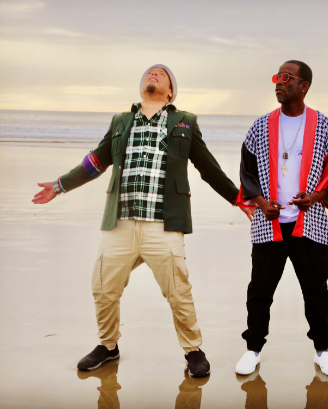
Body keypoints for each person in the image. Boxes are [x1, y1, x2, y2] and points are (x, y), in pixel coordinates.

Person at [32, 64, 248, 377]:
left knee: (178, 291)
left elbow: (208, 167)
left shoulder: (185, 122)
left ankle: (193, 350)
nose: (154, 74)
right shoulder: (121, 121)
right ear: (141, 86)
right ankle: (108, 346)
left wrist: (238, 198)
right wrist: (59, 185)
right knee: (103, 287)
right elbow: (96, 161)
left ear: (170, 92)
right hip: (120, 223)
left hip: (164, 224)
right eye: (150, 72)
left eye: (162, 73)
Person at [234, 60, 328, 377]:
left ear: (303, 85)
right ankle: (253, 349)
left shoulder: (324, 126)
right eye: (277, 77)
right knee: (259, 292)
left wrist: (315, 197)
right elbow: (246, 171)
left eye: (286, 77)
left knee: (316, 292)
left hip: (310, 224)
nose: (279, 83)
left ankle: (322, 350)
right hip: (269, 225)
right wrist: (260, 202)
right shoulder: (260, 126)